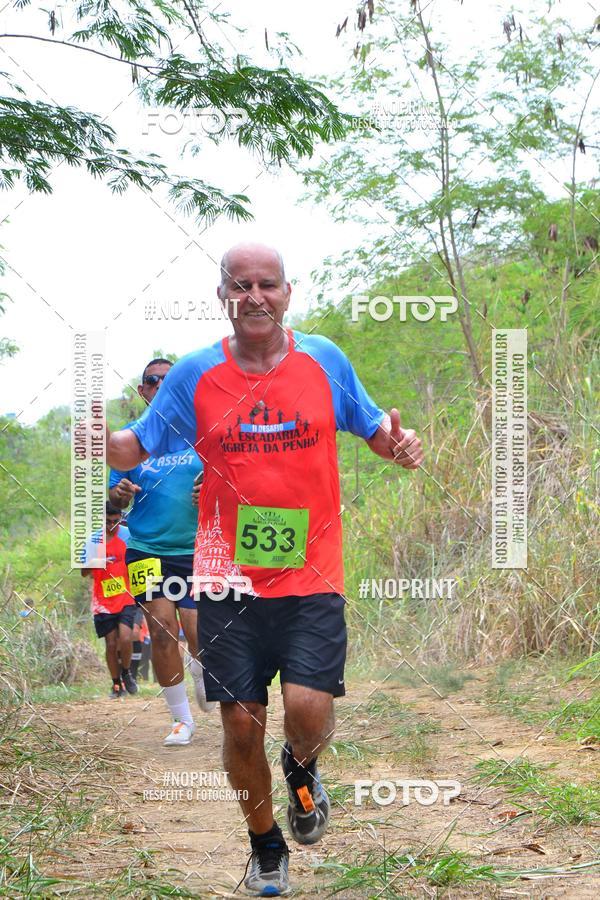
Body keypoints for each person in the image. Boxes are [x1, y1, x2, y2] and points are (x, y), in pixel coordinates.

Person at [106, 243, 424, 895]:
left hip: (311, 573)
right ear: (223, 295)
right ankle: (265, 845)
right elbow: (133, 445)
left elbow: (374, 430)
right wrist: (97, 443)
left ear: (287, 293)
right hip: (226, 577)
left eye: (267, 284)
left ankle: (302, 773)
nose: (255, 296)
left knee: (307, 710)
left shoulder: (324, 359)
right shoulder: (195, 374)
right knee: (240, 722)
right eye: (240, 285)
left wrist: (398, 446)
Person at [109, 358, 215, 747]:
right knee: (161, 629)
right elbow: (112, 500)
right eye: (152, 381)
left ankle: (202, 668)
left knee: (197, 627)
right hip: (145, 550)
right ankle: (181, 720)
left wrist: (210, 492)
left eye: (168, 380)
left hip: (196, 550)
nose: (160, 386)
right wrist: (118, 494)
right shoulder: (133, 441)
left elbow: (232, 483)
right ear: (143, 391)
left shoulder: (203, 432)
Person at [82, 502, 138, 698]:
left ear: (121, 518)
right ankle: (116, 684)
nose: (111, 526)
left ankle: (126, 672)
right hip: (103, 600)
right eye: (107, 522)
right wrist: (97, 562)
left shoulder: (129, 535)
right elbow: (84, 572)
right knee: (111, 644)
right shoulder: (92, 541)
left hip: (126, 595)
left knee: (126, 637)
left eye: (115, 521)